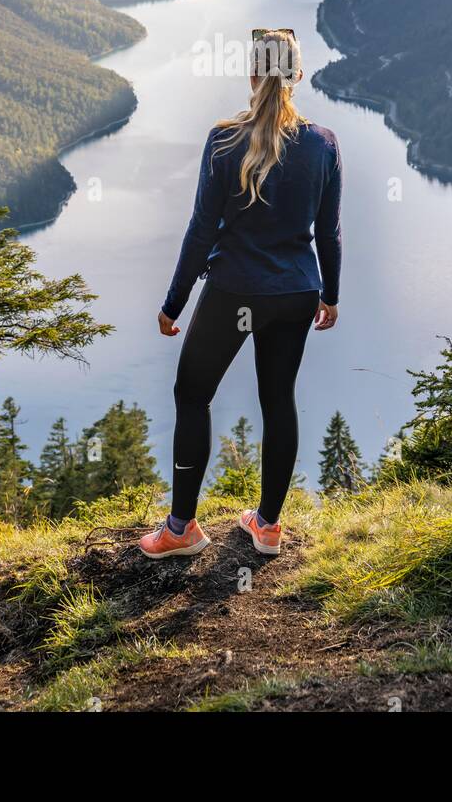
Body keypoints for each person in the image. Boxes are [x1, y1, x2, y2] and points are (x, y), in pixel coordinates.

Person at [139, 28, 341, 560]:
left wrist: (173, 303)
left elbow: (201, 229)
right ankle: (268, 527)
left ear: (253, 74)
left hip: (235, 294)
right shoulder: (323, 144)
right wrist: (331, 295)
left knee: (191, 395)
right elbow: (329, 232)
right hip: (297, 291)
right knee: (279, 401)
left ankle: (182, 530)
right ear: (297, 76)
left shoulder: (224, 140)